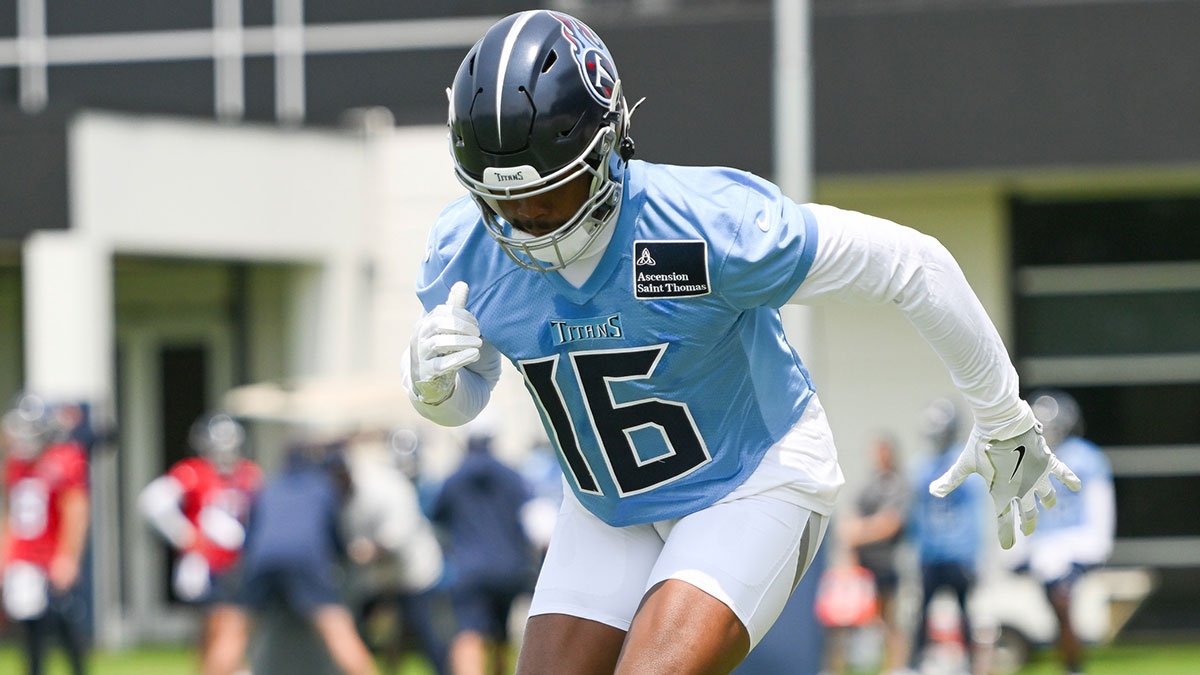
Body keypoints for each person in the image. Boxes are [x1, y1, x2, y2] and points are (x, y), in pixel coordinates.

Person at [400, 10, 1080, 673]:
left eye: (550, 194)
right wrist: (432, 387)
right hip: (608, 504)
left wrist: (1002, 412)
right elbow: (468, 393)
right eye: (505, 203)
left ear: (608, 147)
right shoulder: (463, 248)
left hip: (749, 480)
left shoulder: (709, 227)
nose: (529, 223)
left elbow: (914, 263)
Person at [230, 439, 378, 675]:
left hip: (261, 558)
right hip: (306, 559)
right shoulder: (322, 487)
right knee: (338, 631)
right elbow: (335, 538)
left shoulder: (269, 487)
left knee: (236, 631)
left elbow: (250, 533)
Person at [138, 413, 263, 675]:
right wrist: (184, 535)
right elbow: (152, 502)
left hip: (238, 564)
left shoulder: (249, 475)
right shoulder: (193, 472)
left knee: (222, 633)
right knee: (219, 631)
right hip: (207, 567)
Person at [431, 419, 535, 675]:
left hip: (470, 569)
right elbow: (532, 516)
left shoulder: (453, 479)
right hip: (511, 567)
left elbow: (435, 517)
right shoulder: (512, 475)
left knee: (469, 634)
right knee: (501, 638)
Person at [1023, 390, 1115, 675]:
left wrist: (1097, 544)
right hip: (1046, 548)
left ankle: (1073, 666)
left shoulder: (1086, 457)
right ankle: (1070, 663)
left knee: (1062, 603)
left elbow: (1100, 504)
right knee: (1055, 612)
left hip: (1076, 544)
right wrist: (1022, 550)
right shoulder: (1030, 458)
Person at [341, 433, 448, 674]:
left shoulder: (388, 487)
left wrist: (366, 552)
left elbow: (397, 537)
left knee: (429, 639)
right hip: (378, 577)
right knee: (358, 632)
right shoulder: (347, 492)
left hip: (415, 573)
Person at [0, 393, 90, 675]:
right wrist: (5, 554)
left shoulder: (64, 460)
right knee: (29, 625)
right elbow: (11, 514)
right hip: (23, 556)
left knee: (63, 623)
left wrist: (68, 556)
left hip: (51, 555)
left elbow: (76, 510)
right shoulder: (16, 465)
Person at [908, 399, 988, 673]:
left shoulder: (966, 462)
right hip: (931, 552)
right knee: (921, 612)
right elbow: (917, 514)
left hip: (958, 551)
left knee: (965, 612)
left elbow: (974, 514)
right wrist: (916, 549)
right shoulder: (920, 465)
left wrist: (975, 555)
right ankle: (915, 663)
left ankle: (970, 664)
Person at [825, 433, 910, 674]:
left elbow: (891, 522)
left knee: (889, 619)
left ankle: (894, 668)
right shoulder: (869, 485)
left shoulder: (898, 484)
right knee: (844, 620)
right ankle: (837, 669)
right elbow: (849, 519)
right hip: (860, 566)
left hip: (884, 563)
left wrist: (859, 532)